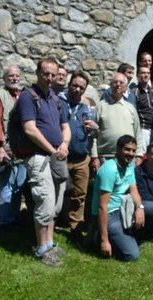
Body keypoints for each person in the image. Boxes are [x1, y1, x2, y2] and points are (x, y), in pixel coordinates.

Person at [17, 57, 71, 267]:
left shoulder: (55, 99)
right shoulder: (28, 97)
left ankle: (49, 244)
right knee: (45, 201)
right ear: (38, 73)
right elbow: (30, 128)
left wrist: (64, 144)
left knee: (56, 204)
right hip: (38, 156)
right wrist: (52, 150)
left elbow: (65, 126)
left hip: (56, 155)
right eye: (45, 74)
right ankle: (41, 249)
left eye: (53, 74)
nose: (49, 78)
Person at [58, 70, 99, 244]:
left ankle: (75, 228)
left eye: (81, 87)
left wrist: (96, 129)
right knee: (57, 193)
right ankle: (51, 223)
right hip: (61, 157)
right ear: (69, 85)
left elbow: (94, 135)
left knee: (80, 195)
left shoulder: (87, 108)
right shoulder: (58, 103)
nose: (77, 89)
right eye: (74, 85)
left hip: (82, 158)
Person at [91, 135, 145, 261]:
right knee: (132, 255)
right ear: (118, 150)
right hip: (109, 214)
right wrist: (105, 241)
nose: (130, 153)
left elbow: (134, 190)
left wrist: (140, 208)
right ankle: (99, 236)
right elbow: (102, 206)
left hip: (122, 209)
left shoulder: (129, 166)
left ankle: (124, 237)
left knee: (149, 209)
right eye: (127, 149)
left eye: (133, 150)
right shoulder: (109, 170)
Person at [0, 65, 27, 228]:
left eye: (17, 76)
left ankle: (15, 217)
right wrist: (0, 148)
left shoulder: (22, 96)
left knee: (18, 185)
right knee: (8, 186)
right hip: (7, 150)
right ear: (4, 78)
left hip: (21, 150)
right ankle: (6, 222)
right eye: (11, 76)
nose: (14, 78)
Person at [92, 73, 143, 169]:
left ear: (126, 87)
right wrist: (94, 157)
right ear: (111, 85)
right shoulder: (100, 106)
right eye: (115, 82)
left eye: (121, 82)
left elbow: (138, 133)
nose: (118, 85)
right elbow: (93, 134)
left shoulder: (130, 108)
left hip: (128, 156)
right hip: (105, 156)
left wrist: (139, 155)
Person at [130, 66, 153, 152]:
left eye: (148, 73)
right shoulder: (134, 92)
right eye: (143, 73)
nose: (146, 75)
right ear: (137, 76)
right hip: (142, 129)